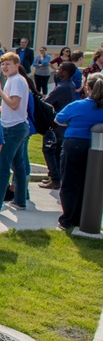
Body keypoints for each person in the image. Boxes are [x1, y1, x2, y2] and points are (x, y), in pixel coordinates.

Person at [0, 52, 30, 212]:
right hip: (20, 125)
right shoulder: (17, 80)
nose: (4, 67)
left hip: (13, 128)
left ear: (17, 65)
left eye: (8, 64)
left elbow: (14, 104)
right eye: (3, 64)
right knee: (19, 166)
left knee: (3, 167)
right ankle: (20, 200)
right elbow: (12, 106)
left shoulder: (15, 80)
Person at [56, 74, 103, 231]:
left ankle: (68, 219)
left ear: (87, 87)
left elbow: (59, 119)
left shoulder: (78, 105)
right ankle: (83, 216)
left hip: (74, 145)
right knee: (88, 183)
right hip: (95, 149)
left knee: (70, 183)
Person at [40, 62, 79, 190]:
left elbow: (46, 103)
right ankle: (55, 176)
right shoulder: (71, 85)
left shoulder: (61, 88)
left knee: (49, 150)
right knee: (56, 151)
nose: (57, 70)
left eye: (60, 69)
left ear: (66, 73)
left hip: (56, 124)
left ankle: (55, 179)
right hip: (64, 125)